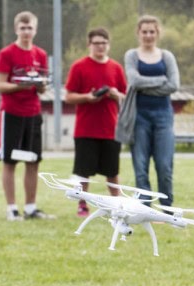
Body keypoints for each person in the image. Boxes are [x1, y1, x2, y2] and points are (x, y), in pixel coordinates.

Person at [0, 11, 53, 221]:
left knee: (33, 161)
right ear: (16, 29)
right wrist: (21, 84)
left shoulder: (41, 55)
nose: (26, 32)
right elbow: (1, 85)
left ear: (35, 30)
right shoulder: (7, 53)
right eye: (22, 28)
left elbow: (42, 89)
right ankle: (12, 208)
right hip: (12, 113)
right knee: (10, 162)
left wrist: (40, 85)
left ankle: (31, 207)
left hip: (33, 113)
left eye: (30, 28)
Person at [117, 15, 179, 206]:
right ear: (138, 33)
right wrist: (160, 80)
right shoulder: (132, 56)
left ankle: (167, 208)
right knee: (141, 167)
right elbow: (134, 81)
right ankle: (144, 208)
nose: (148, 35)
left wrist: (147, 85)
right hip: (139, 117)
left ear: (158, 33)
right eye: (144, 31)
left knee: (164, 166)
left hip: (163, 117)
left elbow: (174, 85)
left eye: (152, 31)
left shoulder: (167, 56)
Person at [64, 28, 127, 217]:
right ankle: (83, 204)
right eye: (96, 43)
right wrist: (87, 97)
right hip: (86, 128)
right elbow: (68, 96)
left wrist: (116, 95)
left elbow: (125, 95)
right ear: (89, 45)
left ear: (108, 45)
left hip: (110, 128)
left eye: (104, 43)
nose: (100, 46)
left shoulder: (116, 68)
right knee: (84, 171)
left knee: (112, 170)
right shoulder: (79, 66)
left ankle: (117, 203)